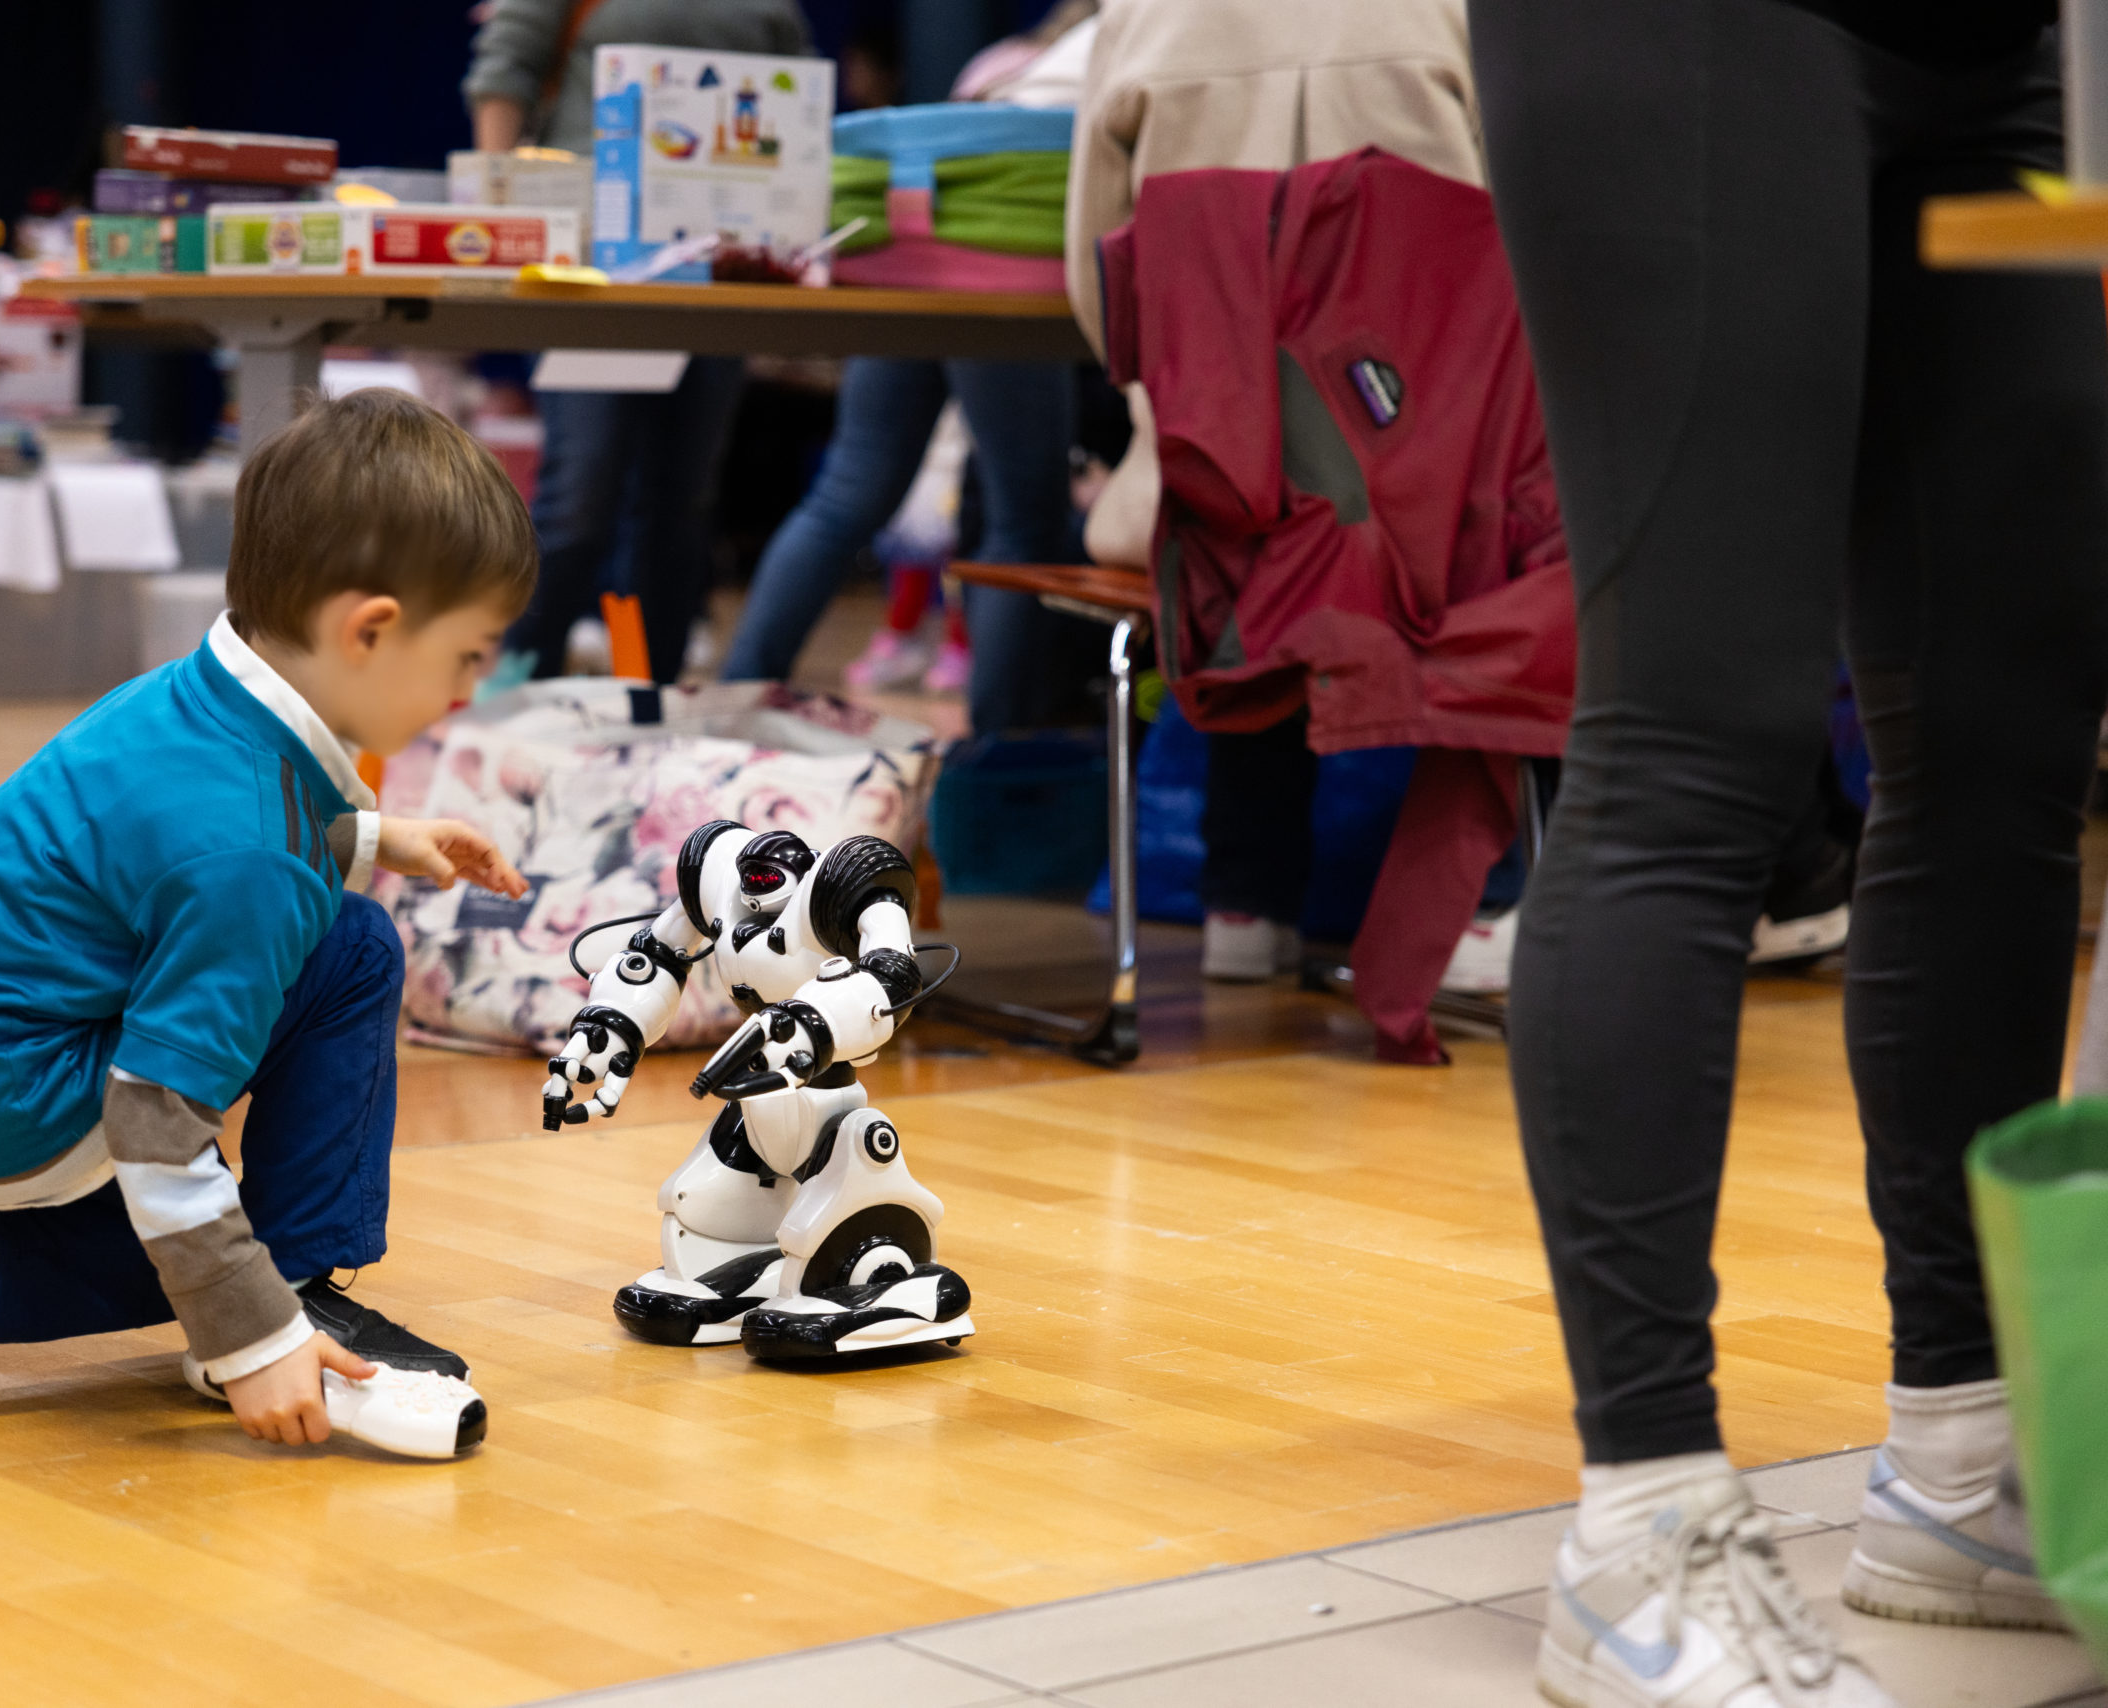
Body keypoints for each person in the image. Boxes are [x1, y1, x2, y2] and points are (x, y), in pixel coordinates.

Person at [1472, 3, 2100, 1702]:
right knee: (1698, 732)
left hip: (2003, 56)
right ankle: (1646, 1523)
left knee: (2009, 736)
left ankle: (1971, 1463)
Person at [0, 390, 536, 1458]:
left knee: (322, 935)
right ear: (371, 631)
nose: (470, 691)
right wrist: (252, 1334)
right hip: (14, 1104)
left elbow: (178, 861)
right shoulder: (250, 854)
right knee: (351, 955)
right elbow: (156, 1119)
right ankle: (231, 1282)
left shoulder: (193, 699)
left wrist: (374, 838)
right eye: (469, 657)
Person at [1069, 0, 1484, 983]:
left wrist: (1167, 390)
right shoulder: (1453, 11)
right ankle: (1489, 899)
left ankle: (1244, 901)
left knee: (1249, 544)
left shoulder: (1146, 15)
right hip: (1427, 473)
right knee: (1509, 552)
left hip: (1211, 470)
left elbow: (1098, 273)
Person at [719, 8, 1098, 736]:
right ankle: (997, 747)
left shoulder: (999, 66)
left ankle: (736, 700)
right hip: (1002, 278)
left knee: (845, 495)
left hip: (908, 265)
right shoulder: (1117, 52)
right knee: (1026, 520)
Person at [464, 0, 811, 686]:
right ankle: (512, 689)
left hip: (717, 264)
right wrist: (496, 210)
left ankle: (652, 701)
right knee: (580, 496)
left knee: (682, 502)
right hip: (595, 262)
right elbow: (506, 68)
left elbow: (799, 106)